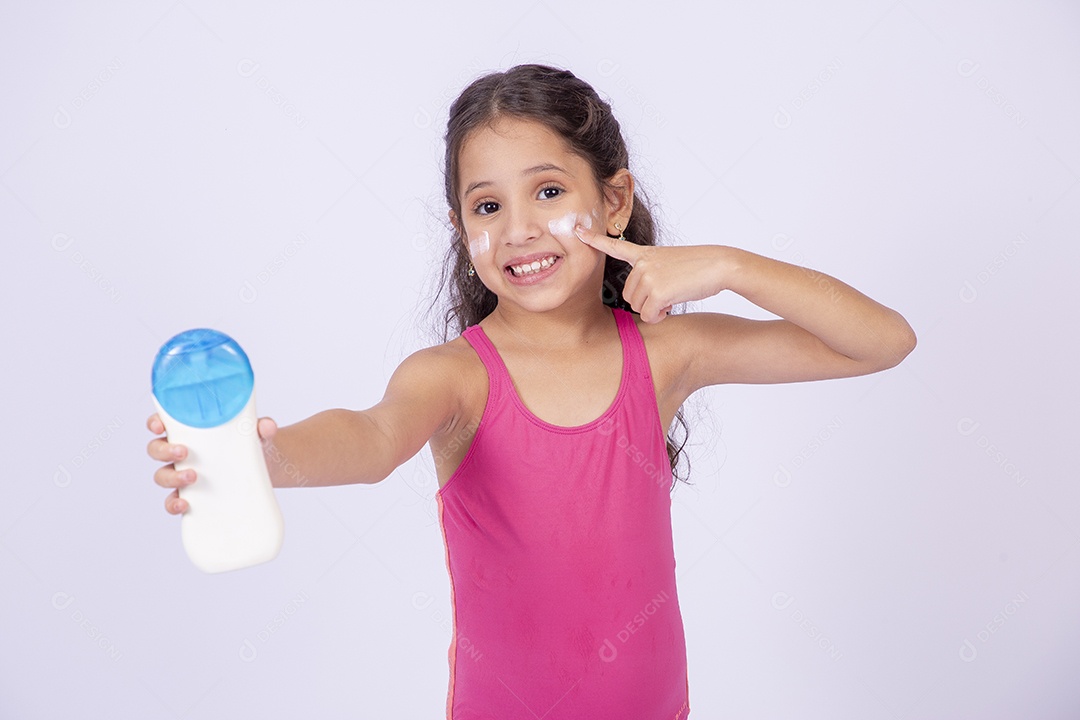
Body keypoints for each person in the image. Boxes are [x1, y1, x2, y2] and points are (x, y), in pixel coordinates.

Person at [146, 63, 916, 719]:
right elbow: (371, 437)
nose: (518, 229)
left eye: (547, 192)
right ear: (462, 229)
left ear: (613, 201)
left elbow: (882, 341)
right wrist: (266, 459)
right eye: (488, 206)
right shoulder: (454, 375)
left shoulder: (667, 353)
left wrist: (730, 265)